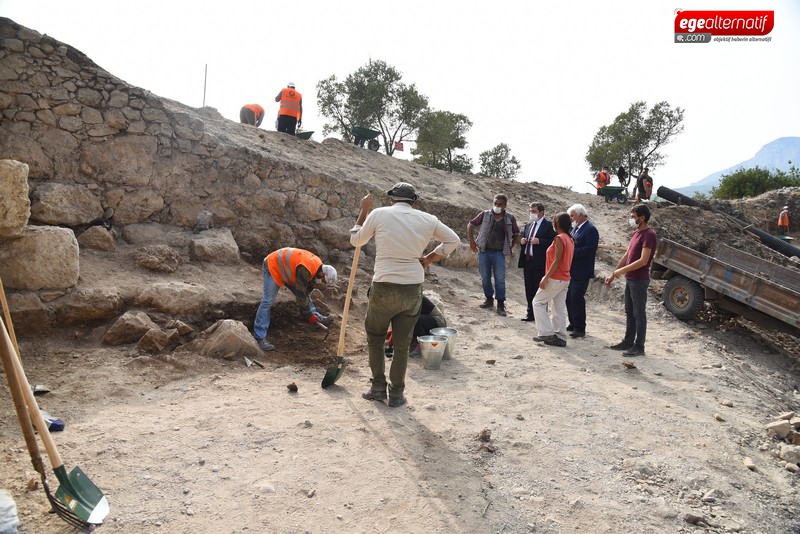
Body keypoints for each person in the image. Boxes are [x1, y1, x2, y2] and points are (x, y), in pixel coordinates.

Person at [350, 182, 459, 408]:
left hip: (384, 285)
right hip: (412, 288)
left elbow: (356, 241)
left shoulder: (379, 214)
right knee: (402, 343)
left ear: (391, 199)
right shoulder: (428, 219)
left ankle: (378, 388)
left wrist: (363, 211)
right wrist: (429, 257)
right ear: (414, 201)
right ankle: (397, 394)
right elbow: (453, 240)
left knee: (376, 338)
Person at [253, 247, 337, 352]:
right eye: (323, 280)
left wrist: (306, 310)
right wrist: (308, 314)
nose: (322, 281)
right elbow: (300, 294)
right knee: (267, 302)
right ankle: (259, 338)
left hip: (287, 271)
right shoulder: (306, 269)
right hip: (273, 266)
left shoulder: (317, 266)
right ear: (322, 273)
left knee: (305, 295)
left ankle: (317, 316)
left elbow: (307, 289)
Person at [605, 204, 658, 357]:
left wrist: (622, 270)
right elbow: (627, 255)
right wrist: (614, 273)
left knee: (639, 313)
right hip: (630, 279)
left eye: (633, 216)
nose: (631, 219)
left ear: (642, 218)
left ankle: (639, 346)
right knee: (629, 311)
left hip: (639, 280)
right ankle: (628, 341)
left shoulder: (649, 234)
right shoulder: (636, 233)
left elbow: (643, 260)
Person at [467, 194, 520, 317]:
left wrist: (511, 246)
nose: (497, 206)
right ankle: (489, 300)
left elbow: (516, 233)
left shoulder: (510, 218)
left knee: (500, 279)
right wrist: (471, 241)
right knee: (485, 277)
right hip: (484, 252)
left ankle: (501, 304)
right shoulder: (485, 214)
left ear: (505, 206)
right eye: (495, 203)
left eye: (500, 204)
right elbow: (471, 224)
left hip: (499, 253)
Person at [532, 212, 574, 347]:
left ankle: (546, 333)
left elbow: (556, 261)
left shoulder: (559, 238)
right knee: (558, 308)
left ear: (557, 224)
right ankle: (560, 336)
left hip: (556, 277)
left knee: (537, 302)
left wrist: (546, 277)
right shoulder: (570, 238)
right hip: (565, 278)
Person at [517, 202, 556, 322]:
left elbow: (554, 241)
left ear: (541, 212)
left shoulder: (548, 225)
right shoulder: (528, 225)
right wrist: (522, 242)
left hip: (540, 262)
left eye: (534, 211)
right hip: (528, 261)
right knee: (529, 288)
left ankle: (541, 315)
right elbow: (525, 238)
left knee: (539, 290)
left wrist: (540, 241)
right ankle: (530, 314)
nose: (531, 213)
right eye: (530, 211)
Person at [565, 204, 599, 338]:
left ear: (581, 215)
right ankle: (573, 322)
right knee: (569, 298)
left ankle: (580, 328)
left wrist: (572, 252)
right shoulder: (575, 229)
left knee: (576, 297)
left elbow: (591, 249)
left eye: (573, 215)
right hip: (572, 270)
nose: (571, 218)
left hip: (582, 270)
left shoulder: (590, 229)